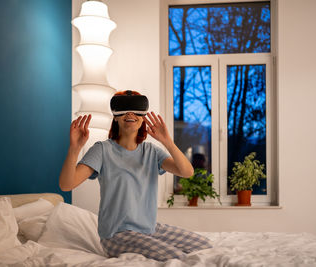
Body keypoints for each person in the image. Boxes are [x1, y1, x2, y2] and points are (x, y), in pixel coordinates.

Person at [59, 90, 211, 261]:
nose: (130, 113)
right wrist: (75, 148)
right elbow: (67, 185)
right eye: (123, 108)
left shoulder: (152, 152)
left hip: (150, 229)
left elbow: (187, 172)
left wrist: (167, 141)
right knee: (178, 258)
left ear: (143, 117)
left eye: (136, 108)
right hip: (117, 235)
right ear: (115, 117)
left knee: (205, 246)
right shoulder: (102, 150)